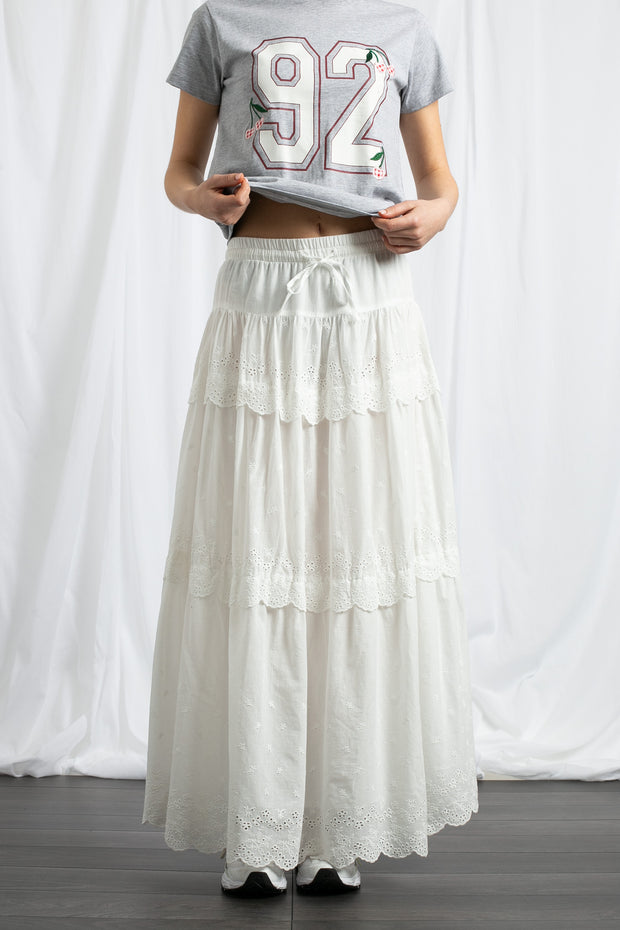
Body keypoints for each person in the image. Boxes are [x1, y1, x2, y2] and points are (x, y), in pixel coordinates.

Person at [142, 0, 480, 899]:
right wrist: (204, 198)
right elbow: (178, 171)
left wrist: (434, 217)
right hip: (260, 295)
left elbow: (440, 181)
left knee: (355, 549)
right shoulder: (222, 20)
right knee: (258, 549)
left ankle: (338, 825)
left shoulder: (402, 26)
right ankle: (255, 828)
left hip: (370, 299)